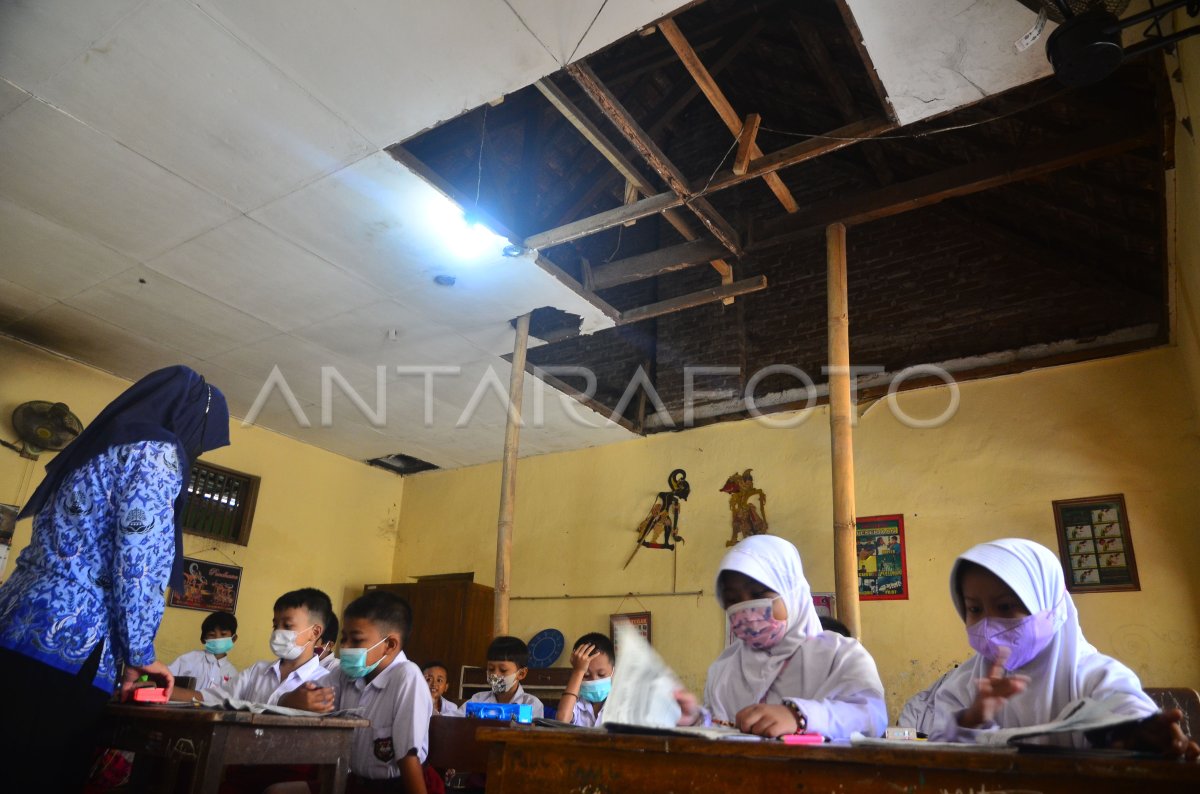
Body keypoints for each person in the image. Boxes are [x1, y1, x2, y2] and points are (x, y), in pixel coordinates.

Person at [0, 366, 229, 790]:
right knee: (36, 771)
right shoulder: (155, 454)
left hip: (15, 618)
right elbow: (137, 563)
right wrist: (140, 656)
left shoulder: (99, 445)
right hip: (70, 642)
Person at [926, 538, 1199, 758]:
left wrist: (1138, 735)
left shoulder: (1097, 676)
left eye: (1006, 606)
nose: (987, 624)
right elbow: (935, 759)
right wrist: (972, 719)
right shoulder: (962, 686)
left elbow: (1132, 716)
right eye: (974, 608)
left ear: (1050, 606)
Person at [676, 535, 887, 739]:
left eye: (759, 594)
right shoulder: (724, 668)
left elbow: (871, 717)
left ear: (791, 592)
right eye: (733, 600)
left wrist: (800, 716)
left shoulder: (840, 655)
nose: (746, 608)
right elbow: (721, 728)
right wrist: (695, 721)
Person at [173, 587, 333, 709]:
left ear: (315, 632)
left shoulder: (326, 682)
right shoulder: (257, 671)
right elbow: (210, 697)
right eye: (275, 625)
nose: (278, 631)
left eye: (287, 625)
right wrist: (163, 691)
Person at [464, 636, 545, 718]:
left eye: (503, 670)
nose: (495, 675)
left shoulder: (531, 704)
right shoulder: (477, 700)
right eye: (491, 669)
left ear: (521, 674)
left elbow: (533, 730)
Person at [168, 610, 239, 690]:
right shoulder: (189, 659)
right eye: (212, 635)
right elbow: (165, 678)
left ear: (234, 638)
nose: (217, 639)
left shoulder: (233, 673)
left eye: (223, 634)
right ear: (203, 639)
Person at [556, 632, 614, 726]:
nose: (594, 680)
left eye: (601, 674)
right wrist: (578, 671)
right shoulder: (575, 703)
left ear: (613, 671)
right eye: (586, 676)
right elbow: (562, 720)